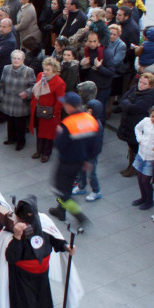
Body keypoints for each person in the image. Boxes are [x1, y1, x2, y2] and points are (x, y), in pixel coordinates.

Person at [7, 195, 75, 308]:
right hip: (22, 277)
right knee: (26, 306)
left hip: (41, 274)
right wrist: (17, 238)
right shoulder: (13, 228)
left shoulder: (43, 223)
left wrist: (65, 247)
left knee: (39, 302)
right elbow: (11, 256)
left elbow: (54, 238)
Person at [49, 92, 102, 226]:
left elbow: (59, 145)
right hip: (80, 163)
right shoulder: (91, 121)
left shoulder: (68, 123)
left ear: (70, 106)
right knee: (67, 187)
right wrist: (88, 160)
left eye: (65, 104)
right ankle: (60, 210)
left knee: (60, 191)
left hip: (66, 162)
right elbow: (96, 146)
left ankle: (78, 214)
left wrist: (59, 133)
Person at [117, 73, 154, 177]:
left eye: (144, 84)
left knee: (135, 146)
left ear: (150, 85)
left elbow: (135, 107)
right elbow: (123, 101)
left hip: (136, 125)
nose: (141, 85)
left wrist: (128, 103)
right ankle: (130, 165)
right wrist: (128, 103)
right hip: (128, 123)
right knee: (130, 146)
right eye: (140, 82)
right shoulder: (134, 89)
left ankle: (134, 167)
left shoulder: (149, 97)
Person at [28, 57, 65, 162]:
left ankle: (46, 153)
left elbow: (60, 100)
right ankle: (38, 150)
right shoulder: (40, 75)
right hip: (39, 110)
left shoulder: (59, 82)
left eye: (48, 70)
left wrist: (54, 113)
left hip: (50, 112)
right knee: (39, 131)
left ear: (54, 70)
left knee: (49, 134)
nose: (45, 72)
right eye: (45, 69)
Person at [132, 104, 154, 210]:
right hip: (141, 154)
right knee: (139, 178)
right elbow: (137, 128)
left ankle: (149, 201)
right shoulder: (145, 121)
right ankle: (143, 197)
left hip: (152, 157)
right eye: (153, 116)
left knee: (145, 180)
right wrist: (139, 139)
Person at [0, 49, 36, 151]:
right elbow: (1, 83)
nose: (16, 60)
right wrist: (2, 95)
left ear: (23, 60)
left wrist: (27, 93)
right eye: (14, 58)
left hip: (21, 103)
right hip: (8, 101)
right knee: (10, 122)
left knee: (20, 125)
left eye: (18, 58)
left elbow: (33, 86)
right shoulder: (6, 68)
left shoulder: (29, 71)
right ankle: (11, 139)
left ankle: (21, 142)